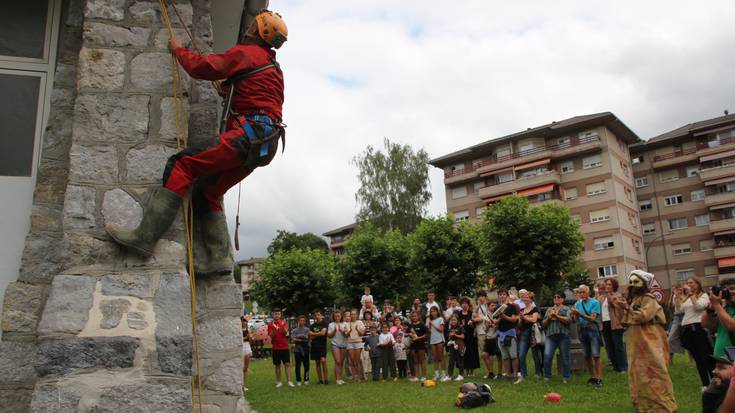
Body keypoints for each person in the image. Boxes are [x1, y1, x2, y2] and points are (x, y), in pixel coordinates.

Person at [106, 10, 287, 275]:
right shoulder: (273, 68)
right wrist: (227, 89)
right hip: (264, 144)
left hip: (247, 136)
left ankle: (145, 238)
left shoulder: (247, 54)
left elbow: (204, 67)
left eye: (253, 26)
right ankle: (219, 259)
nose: (247, 29)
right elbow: (258, 95)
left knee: (182, 164)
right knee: (208, 191)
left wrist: (179, 51)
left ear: (260, 32)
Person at [620, 270, 677, 412]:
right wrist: (625, 308)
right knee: (638, 371)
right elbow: (626, 321)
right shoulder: (633, 300)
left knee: (655, 369)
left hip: (649, 338)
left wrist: (627, 309)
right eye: (631, 282)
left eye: (636, 282)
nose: (633, 285)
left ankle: (661, 405)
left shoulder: (649, 299)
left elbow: (644, 316)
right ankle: (644, 405)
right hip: (636, 340)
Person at [677, 276, 714, 387]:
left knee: (705, 357)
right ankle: (705, 384)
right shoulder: (688, 297)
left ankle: (714, 382)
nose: (689, 285)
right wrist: (678, 297)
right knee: (698, 358)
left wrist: (691, 295)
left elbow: (698, 307)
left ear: (698, 284)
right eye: (687, 283)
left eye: (691, 283)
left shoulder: (704, 295)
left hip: (698, 328)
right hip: (687, 329)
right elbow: (680, 310)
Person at [571, 284, 603, 386]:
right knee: (587, 355)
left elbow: (593, 318)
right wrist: (574, 315)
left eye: (583, 292)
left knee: (596, 355)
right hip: (582, 330)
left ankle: (599, 378)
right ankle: (592, 377)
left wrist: (579, 314)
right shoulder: (577, 304)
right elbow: (575, 320)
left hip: (592, 329)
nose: (581, 294)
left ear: (588, 292)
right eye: (580, 292)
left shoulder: (595, 302)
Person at [542, 291, 572, 383]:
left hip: (563, 335)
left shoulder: (567, 309)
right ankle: (547, 376)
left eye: (558, 297)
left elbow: (568, 321)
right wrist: (549, 318)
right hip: (550, 336)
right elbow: (543, 324)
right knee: (547, 355)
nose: (556, 299)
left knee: (565, 356)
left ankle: (566, 377)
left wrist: (557, 316)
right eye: (554, 297)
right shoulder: (549, 309)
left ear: (563, 299)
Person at [702, 278, 735, 359]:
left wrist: (716, 305)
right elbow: (706, 324)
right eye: (726, 290)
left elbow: (731, 326)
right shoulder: (724, 309)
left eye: (732, 289)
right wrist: (711, 308)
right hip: (721, 357)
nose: (731, 292)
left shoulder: (720, 308)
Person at [602, 278, 628, 373]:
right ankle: (615, 367)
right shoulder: (602, 297)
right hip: (605, 323)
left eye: (610, 285)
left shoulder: (617, 296)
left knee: (618, 346)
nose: (607, 286)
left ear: (614, 286)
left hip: (615, 323)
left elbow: (616, 305)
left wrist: (609, 296)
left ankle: (623, 367)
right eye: (606, 284)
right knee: (609, 346)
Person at [516, 289, 541, 384]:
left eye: (527, 297)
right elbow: (519, 324)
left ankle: (538, 373)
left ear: (531, 299)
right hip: (523, 333)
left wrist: (525, 317)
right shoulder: (521, 310)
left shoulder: (535, 309)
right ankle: (523, 375)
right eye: (524, 297)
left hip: (533, 333)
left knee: (535, 355)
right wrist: (521, 319)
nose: (525, 299)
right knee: (521, 355)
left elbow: (534, 319)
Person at [494, 289, 519, 379]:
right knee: (505, 356)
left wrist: (504, 316)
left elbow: (514, 319)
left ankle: (515, 374)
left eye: (504, 294)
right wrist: (499, 318)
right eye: (500, 294)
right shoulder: (497, 307)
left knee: (513, 355)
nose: (502, 296)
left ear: (507, 295)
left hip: (510, 333)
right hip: (501, 333)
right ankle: (508, 374)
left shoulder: (511, 306)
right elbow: (495, 321)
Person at [267, 308, 294, 388]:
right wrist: (275, 330)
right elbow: (271, 335)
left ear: (280, 314)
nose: (277, 315)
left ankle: (289, 381)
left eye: (278, 314)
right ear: (273, 314)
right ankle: (279, 381)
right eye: (275, 314)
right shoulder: (270, 324)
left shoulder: (284, 322)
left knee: (287, 364)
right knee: (277, 365)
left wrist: (282, 327)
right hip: (276, 347)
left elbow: (286, 334)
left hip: (284, 346)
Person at [473, 291, 494, 379]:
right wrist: (482, 319)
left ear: (485, 297)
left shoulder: (489, 306)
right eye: (479, 296)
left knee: (491, 353)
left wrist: (480, 318)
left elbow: (493, 316)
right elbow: (473, 319)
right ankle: (490, 371)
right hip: (480, 331)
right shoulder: (476, 308)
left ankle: (493, 372)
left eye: (482, 296)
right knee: (483, 353)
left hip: (491, 331)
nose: (481, 298)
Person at [458, 297, 480, 376]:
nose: (464, 305)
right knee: (464, 353)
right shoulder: (458, 314)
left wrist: (471, 324)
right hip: (462, 336)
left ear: (468, 305)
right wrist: (461, 325)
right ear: (461, 305)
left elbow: (475, 324)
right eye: (462, 303)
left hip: (471, 336)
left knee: (472, 352)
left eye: (465, 303)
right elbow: (456, 325)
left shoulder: (471, 313)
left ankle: (472, 371)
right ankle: (466, 371)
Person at [327, 310, 349, 385]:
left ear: (341, 316)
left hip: (343, 345)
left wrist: (342, 331)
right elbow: (329, 336)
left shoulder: (345, 324)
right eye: (335, 316)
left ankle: (340, 378)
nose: (337, 317)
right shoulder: (331, 325)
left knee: (341, 362)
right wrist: (334, 331)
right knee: (338, 361)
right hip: (335, 344)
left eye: (338, 316)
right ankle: (337, 379)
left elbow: (346, 335)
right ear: (333, 317)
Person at [667, 283, 686, 362]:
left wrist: (679, 296)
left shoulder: (686, 295)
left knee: (687, 339)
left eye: (679, 289)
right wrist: (672, 295)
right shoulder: (674, 296)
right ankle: (670, 360)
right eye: (675, 289)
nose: (677, 290)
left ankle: (693, 362)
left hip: (685, 316)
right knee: (670, 339)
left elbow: (680, 307)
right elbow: (670, 306)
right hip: (677, 317)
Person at [308, 310, 329, 384]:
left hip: (322, 345)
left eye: (318, 315)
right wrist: (318, 334)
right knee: (317, 362)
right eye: (316, 315)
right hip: (314, 346)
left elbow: (323, 333)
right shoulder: (312, 326)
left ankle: (326, 379)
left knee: (323, 361)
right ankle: (320, 380)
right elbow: (310, 337)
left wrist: (314, 334)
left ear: (321, 315)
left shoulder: (324, 323)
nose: (317, 316)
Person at [428, 306, 449, 381]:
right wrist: (430, 326)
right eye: (431, 311)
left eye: (434, 311)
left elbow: (441, 330)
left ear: (437, 312)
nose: (433, 313)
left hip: (440, 340)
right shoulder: (430, 320)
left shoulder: (440, 319)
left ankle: (443, 374)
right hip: (433, 340)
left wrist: (432, 324)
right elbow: (430, 332)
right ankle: (436, 374)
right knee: (435, 358)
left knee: (441, 357)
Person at [346, 309, 366, 383]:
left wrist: (357, 329)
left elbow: (362, 334)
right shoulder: (347, 323)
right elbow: (346, 335)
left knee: (357, 361)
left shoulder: (360, 322)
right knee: (352, 360)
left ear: (357, 315)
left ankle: (358, 376)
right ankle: (354, 376)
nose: (353, 316)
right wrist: (350, 330)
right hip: (350, 343)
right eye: (351, 314)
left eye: (354, 314)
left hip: (358, 342)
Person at [408, 310, 428, 382]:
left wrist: (418, 338)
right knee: (416, 362)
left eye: (415, 316)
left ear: (418, 316)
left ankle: (423, 376)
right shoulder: (410, 325)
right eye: (412, 316)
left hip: (421, 345)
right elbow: (406, 333)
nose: (414, 317)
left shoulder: (422, 325)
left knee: (422, 361)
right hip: (413, 345)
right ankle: (416, 376)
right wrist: (410, 334)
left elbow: (426, 334)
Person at [292, 315, 310, 386]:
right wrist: (302, 338)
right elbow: (293, 339)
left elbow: (307, 338)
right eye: (300, 320)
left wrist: (298, 337)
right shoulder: (294, 330)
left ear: (305, 322)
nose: (302, 322)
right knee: (298, 365)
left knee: (306, 365)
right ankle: (298, 380)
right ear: (298, 321)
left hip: (306, 348)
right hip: (297, 350)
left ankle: (306, 379)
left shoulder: (307, 330)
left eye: (303, 320)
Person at [447, 314, 466, 381]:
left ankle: (461, 375)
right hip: (452, 347)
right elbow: (449, 338)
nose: (453, 321)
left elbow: (463, 337)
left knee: (460, 361)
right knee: (451, 361)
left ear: (457, 321)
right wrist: (450, 338)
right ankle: (449, 375)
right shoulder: (450, 329)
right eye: (452, 320)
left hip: (460, 346)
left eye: (454, 320)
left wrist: (455, 334)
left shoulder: (460, 327)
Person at [360, 310, 377, 380]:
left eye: (369, 315)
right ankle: (364, 373)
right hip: (363, 342)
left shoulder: (373, 323)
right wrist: (364, 328)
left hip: (371, 342)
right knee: (363, 358)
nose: (367, 316)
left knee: (369, 358)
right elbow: (361, 333)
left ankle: (369, 372)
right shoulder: (362, 323)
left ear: (371, 316)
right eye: (366, 315)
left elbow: (376, 332)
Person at [241, 316, 252, 391]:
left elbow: (250, 340)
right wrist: (245, 338)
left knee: (245, 368)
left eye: (246, 321)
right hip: (241, 348)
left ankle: (244, 385)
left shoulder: (248, 329)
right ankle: (240, 385)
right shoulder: (238, 330)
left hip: (247, 347)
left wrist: (250, 337)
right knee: (241, 367)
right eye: (243, 321)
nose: (245, 322)